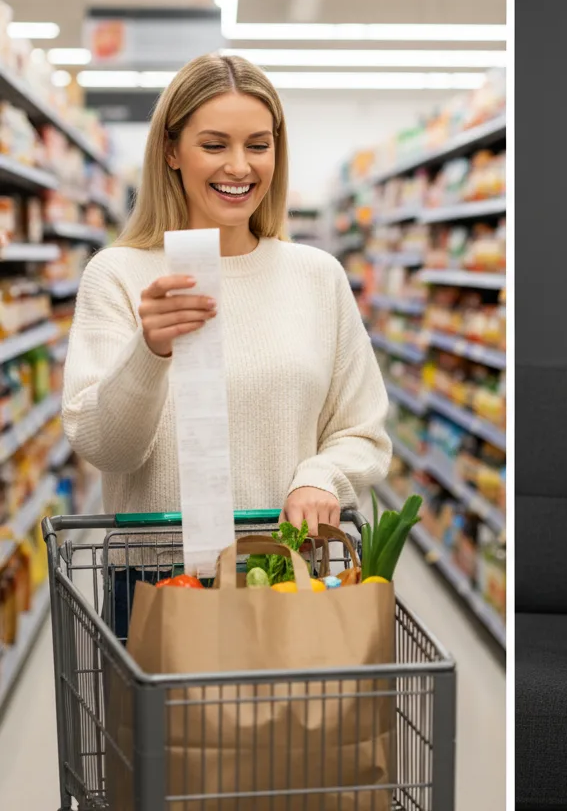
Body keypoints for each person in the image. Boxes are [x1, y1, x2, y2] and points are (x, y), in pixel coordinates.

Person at [62, 53, 391, 634]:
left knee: (290, 730)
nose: (239, 166)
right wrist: (150, 351)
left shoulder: (317, 276)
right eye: (214, 144)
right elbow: (105, 448)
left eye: (258, 145)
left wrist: (322, 476)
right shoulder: (118, 275)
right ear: (171, 150)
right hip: (157, 583)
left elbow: (361, 430)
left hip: (288, 577)